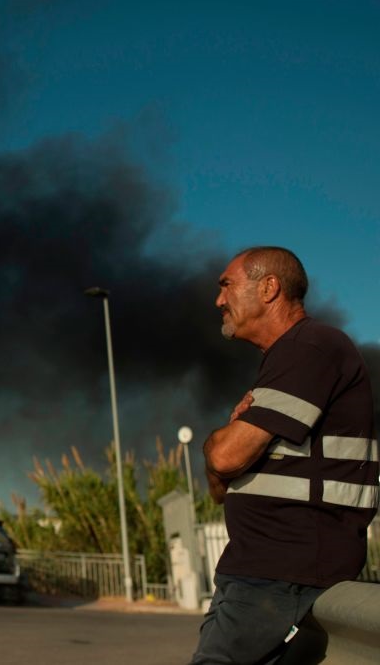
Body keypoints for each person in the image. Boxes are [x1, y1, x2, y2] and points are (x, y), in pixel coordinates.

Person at [190, 247, 378, 664]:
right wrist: (222, 450)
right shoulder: (286, 359)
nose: (219, 300)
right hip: (267, 571)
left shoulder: (311, 347)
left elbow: (223, 459)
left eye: (227, 285)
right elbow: (220, 487)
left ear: (270, 288)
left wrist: (217, 443)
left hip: (279, 572)